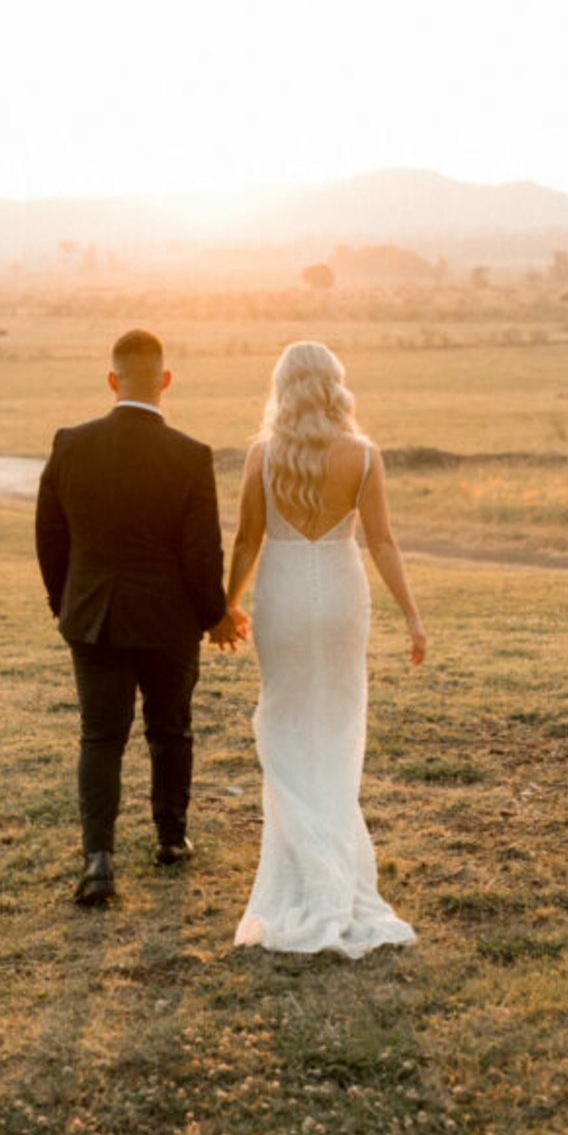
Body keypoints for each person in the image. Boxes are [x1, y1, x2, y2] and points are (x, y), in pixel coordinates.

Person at [221, 341, 426, 957]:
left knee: (283, 722)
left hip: (282, 595)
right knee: (337, 727)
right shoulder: (363, 457)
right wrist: (412, 616)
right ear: (334, 386)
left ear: (283, 387)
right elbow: (383, 542)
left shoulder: (262, 455)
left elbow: (247, 542)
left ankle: (304, 869)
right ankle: (334, 863)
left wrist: (225, 606)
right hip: (340, 595)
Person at [35, 329, 236, 906]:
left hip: (92, 618)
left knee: (100, 736)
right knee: (170, 730)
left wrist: (67, 605)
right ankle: (171, 841)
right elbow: (202, 554)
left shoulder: (70, 443)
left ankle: (98, 860)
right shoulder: (190, 456)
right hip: (169, 622)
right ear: (165, 380)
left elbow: (50, 537)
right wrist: (214, 615)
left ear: (112, 379)